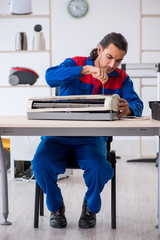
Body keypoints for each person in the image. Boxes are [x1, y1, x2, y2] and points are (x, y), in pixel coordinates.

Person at [32, 32, 143, 229]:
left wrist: (130, 108)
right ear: (100, 50)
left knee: (99, 168)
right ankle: (56, 205)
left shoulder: (121, 78)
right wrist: (83, 70)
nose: (112, 65)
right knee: (40, 163)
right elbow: (50, 77)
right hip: (58, 136)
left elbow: (137, 104)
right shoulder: (75, 63)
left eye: (118, 60)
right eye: (109, 57)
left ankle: (90, 206)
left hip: (92, 139)